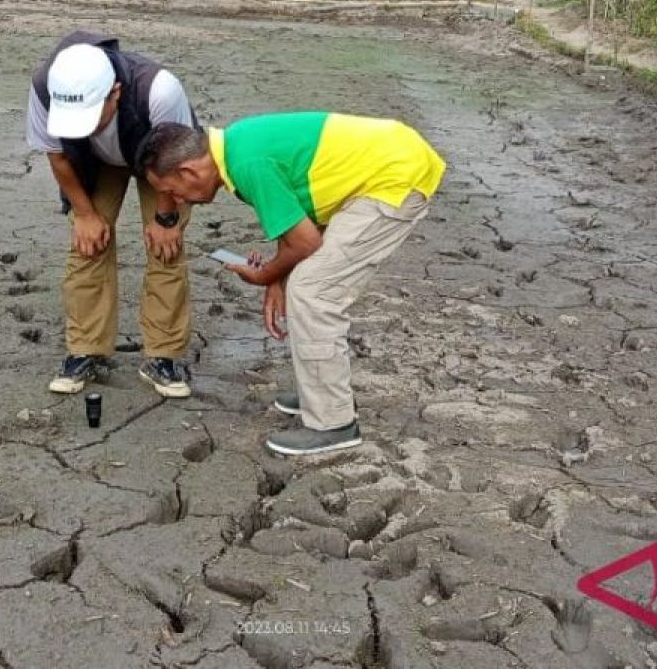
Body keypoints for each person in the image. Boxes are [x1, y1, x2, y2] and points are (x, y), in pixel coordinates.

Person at [139, 112, 446, 455]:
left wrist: (266, 274)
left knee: (314, 292)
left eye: (172, 191)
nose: (177, 201)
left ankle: (333, 424)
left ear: (188, 172)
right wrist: (277, 281)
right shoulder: (237, 145)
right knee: (303, 283)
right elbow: (300, 218)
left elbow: (305, 243)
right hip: (388, 163)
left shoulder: (248, 165)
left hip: (396, 177)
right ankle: (321, 392)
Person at [26, 32, 196, 398]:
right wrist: (85, 214)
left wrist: (166, 220)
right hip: (94, 162)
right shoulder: (45, 86)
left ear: (115, 93)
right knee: (87, 245)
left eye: (89, 117)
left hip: (162, 159)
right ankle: (86, 348)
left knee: (166, 247)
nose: (82, 127)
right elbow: (57, 155)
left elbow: (177, 161)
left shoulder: (159, 92)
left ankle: (163, 356)